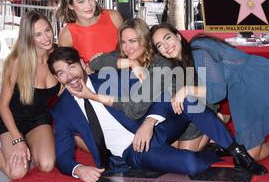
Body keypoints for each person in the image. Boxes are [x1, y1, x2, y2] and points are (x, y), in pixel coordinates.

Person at [47, 47, 268, 182]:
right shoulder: (63, 110)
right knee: (191, 165)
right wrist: (79, 169)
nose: (69, 76)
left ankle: (237, 152)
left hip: (153, 127)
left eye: (72, 67)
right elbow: (64, 157)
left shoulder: (110, 78)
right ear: (57, 78)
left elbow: (159, 92)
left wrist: (150, 122)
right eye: (61, 73)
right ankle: (216, 151)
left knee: (187, 100)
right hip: (134, 151)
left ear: (83, 65)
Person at [150, 23, 269, 162]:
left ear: (178, 35)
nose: (166, 46)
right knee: (251, 155)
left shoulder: (198, 49)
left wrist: (187, 90)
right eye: (159, 45)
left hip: (266, 82)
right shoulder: (183, 64)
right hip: (242, 95)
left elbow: (218, 92)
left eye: (167, 38)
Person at [90, 18, 222, 152]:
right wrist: (132, 64)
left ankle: (214, 123)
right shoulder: (127, 55)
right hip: (167, 114)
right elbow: (94, 63)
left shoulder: (160, 63)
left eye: (133, 41)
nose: (127, 47)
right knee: (167, 149)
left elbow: (136, 108)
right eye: (123, 42)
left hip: (189, 109)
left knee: (187, 153)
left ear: (144, 40)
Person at [0, 11, 60, 180]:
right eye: (38, 34)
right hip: (11, 121)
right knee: (17, 172)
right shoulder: (16, 62)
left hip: (38, 120)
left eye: (47, 30)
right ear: (29, 38)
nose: (46, 37)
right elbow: (3, 106)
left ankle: (31, 143)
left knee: (47, 164)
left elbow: (64, 90)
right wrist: (17, 140)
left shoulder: (57, 56)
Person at [57, 0, 123, 62]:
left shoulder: (114, 17)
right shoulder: (67, 34)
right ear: (70, 5)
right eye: (81, 2)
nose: (88, 6)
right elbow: (66, 68)